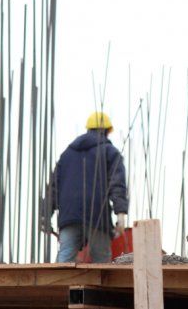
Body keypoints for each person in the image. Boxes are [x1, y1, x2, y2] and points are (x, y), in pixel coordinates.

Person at [43, 111, 129, 263]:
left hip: (69, 214)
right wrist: (120, 213)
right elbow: (117, 183)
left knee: (64, 258)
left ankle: (58, 287)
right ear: (107, 131)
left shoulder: (66, 155)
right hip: (96, 214)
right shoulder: (110, 152)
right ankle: (103, 288)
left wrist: (45, 214)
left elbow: (54, 187)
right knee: (102, 262)